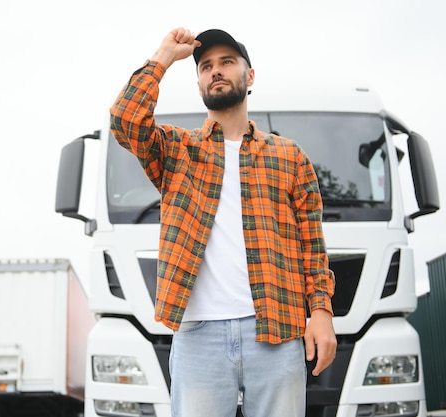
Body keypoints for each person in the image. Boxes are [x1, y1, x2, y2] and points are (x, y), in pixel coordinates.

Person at [110, 27, 336, 417]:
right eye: (206, 66)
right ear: (198, 81)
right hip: (199, 336)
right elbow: (125, 122)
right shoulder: (177, 151)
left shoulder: (290, 157)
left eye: (227, 62)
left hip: (277, 329)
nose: (216, 71)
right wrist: (163, 57)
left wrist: (320, 312)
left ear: (250, 76)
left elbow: (311, 246)